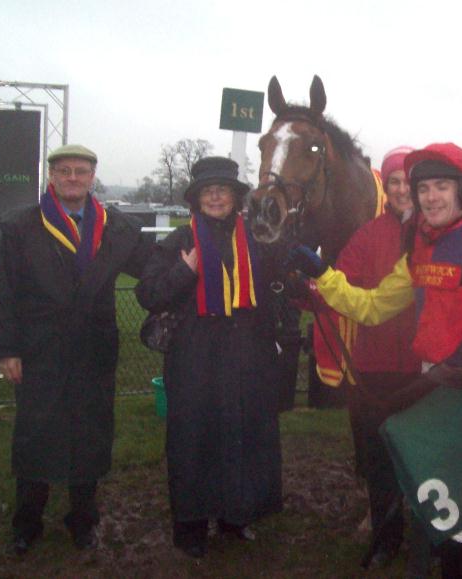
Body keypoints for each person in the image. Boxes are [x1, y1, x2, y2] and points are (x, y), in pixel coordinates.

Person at [287, 142, 462, 579]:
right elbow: (371, 307)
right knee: (444, 501)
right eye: (424, 188)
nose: (430, 197)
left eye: (441, 187)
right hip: (434, 391)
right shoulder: (420, 250)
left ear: (461, 191)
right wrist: (322, 275)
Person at [0, 144, 152, 554]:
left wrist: (192, 262)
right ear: (52, 177)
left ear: (93, 177)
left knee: (90, 436)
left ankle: (84, 520)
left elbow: (154, 269)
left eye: (81, 171)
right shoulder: (21, 226)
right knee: (35, 435)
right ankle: (27, 523)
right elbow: (3, 295)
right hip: (40, 351)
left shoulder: (115, 228)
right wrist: (7, 350)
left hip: (94, 351)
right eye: (64, 171)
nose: (73, 178)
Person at [135, 157, 282, 558]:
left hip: (245, 357)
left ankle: (236, 516)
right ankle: (191, 525)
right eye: (208, 190)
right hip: (195, 359)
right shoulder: (178, 242)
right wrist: (184, 272)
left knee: (242, 435)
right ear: (197, 199)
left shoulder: (256, 239)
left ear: (237, 197)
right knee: (194, 440)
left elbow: (273, 293)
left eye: (224, 190)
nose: (216, 196)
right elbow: (147, 294)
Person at [334, 146, 422, 569]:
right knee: (380, 458)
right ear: (386, 187)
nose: (403, 189)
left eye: (409, 181)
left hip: (426, 369)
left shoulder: (436, 231)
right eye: (395, 182)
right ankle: (386, 537)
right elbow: (338, 280)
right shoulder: (368, 234)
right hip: (375, 367)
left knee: (424, 455)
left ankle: (431, 536)